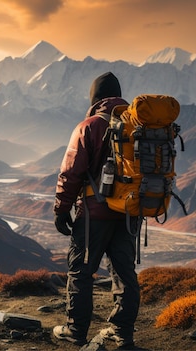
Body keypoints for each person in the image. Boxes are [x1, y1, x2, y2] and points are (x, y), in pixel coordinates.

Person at [52, 72, 140, 349]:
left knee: (81, 271)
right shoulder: (139, 125)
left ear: (96, 98)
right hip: (128, 213)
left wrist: (61, 209)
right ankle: (122, 332)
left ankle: (75, 330)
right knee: (125, 273)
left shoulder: (89, 126)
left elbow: (71, 172)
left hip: (94, 215)